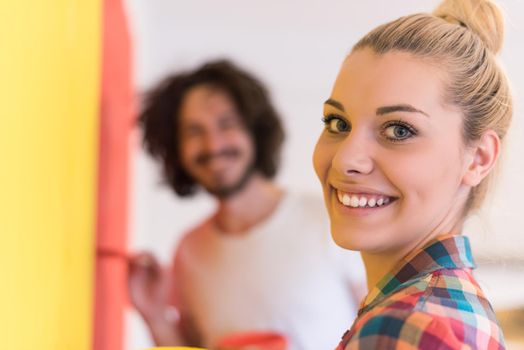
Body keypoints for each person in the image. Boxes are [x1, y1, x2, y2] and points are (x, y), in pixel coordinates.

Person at [312, 0, 512, 348]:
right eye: (338, 123)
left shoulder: (406, 325)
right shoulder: (449, 311)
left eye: (399, 130)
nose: (346, 160)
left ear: (478, 158)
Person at [129, 60, 366, 350]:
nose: (213, 145)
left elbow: (380, 322)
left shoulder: (328, 219)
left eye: (226, 124)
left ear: (255, 131)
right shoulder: (189, 252)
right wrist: (155, 315)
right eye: (194, 131)